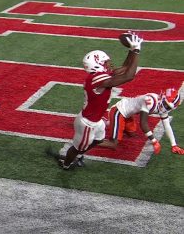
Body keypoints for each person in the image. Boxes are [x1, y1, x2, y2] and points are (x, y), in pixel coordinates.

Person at [59, 33, 143, 170]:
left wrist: (132, 50)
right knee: (77, 147)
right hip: (88, 123)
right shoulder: (97, 80)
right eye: (105, 62)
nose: (109, 64)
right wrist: (137, 50)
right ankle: (66, 164)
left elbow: (125, 69)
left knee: (97, 140)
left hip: (96, 120)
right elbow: (129, 76)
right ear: (97, 64)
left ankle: (80, 153)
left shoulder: (98, 76)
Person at [98, 87, 183, 155]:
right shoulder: (150, 100)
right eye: (165, 104)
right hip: (119, 111)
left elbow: (167, 126)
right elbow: (143, 124)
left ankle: (107, 123)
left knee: (132, 133)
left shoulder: (163, 109)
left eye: (168, 107)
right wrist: (154, 141)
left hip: (128, 114)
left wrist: (174, 145)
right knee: (113, 144)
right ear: (162, 97)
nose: (165, 107)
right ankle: (89, 142)